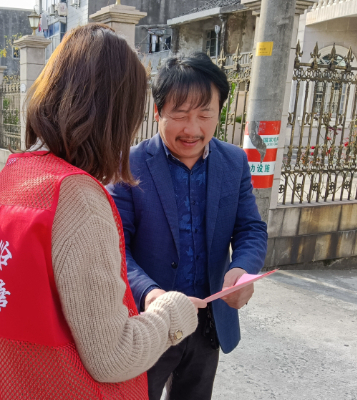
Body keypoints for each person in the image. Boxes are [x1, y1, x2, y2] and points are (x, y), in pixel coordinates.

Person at [0, 24, 205, 400]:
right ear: (114, 115)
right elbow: (113, 355)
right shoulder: (76, 199)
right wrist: (174, 311)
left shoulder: (9, 178)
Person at [107, 53, 268, 400]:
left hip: (207, 322)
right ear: (158, 112)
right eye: (179, 115)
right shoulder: (129, 164)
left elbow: (251, 229)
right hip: (148, 323)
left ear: (219, 112)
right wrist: (150, 293)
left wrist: (242, 270)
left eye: (205, 115)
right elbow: (115, 246)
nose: (192, 129)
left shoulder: (234, 161)